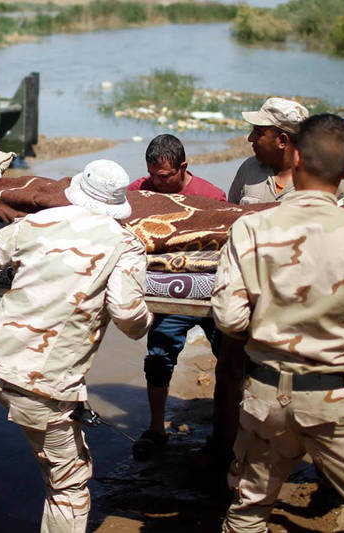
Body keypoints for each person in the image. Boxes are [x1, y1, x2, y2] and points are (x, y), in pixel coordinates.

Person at [213, 113, 344, 532]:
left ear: (296, 162)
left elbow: (228, 317)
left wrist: (271, 321)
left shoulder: (250, 227)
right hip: (335, 403)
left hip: (264, 397)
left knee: (247, 512)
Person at [0, 159, 153, 533]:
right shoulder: (126, 245)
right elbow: (127, 314)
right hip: (44, 389)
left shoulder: (36, 222)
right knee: (67, 486)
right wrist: (147, 322)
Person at [126, 134, 226, 459]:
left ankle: (227, 431)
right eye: (153, 175)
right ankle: (156, 429)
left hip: (211, 295)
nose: (157, 182)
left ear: (183, 167)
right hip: (165, 297)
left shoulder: (212, 198)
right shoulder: (139, 192)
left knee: (229, 359)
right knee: (158, 357)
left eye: (165, 177)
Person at [228, 97, 344, 205]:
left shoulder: (331, 179)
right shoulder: (249, 168)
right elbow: (230, 214)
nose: (250, 138)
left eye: (258, 133)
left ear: (282, 141)